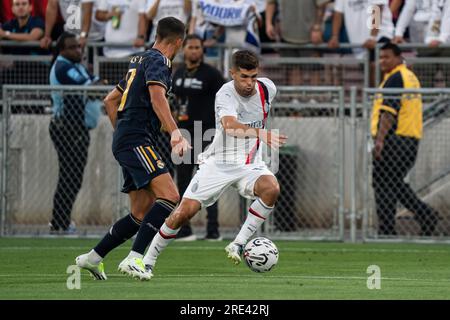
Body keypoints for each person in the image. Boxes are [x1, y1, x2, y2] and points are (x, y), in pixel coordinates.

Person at [119, 50, 288, 281]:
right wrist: (260, 132)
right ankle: (146, 261)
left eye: (253, 77)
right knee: (182, 213)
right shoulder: (225, 93)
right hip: (218, 163)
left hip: (250, 163)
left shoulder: (267, 88)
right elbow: (229, 126)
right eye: (244, 77)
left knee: (272, 188)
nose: (249, 83)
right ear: (232, 74)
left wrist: (260, 135)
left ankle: (238, 244)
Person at [75, 17, 189, 280]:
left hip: (129, 138)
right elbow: (157, 96)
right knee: (170, 196)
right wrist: (174, 133)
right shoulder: (161, 61)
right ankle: (135, 259)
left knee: (140, 211)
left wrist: (122, 133)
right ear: (179, 42)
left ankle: (92, 258)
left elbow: (110, 100)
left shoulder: (138, 60)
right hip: (137, 139)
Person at [371, 42, 440, 237]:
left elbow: (389, 113)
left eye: (387, 57)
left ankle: (386, 230)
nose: (382, 61)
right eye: (381, 57)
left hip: (394, 140)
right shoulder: (410, 77)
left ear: (399, 57)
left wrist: (380, 140)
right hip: (410, 140)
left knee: (382, 183)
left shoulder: (395, 78)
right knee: (394, 183)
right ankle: (426, 215)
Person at [48, 32, 104, 234]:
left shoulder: (76, 66)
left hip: (77, 128)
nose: (78, 50)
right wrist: (96, 85)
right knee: (68, 176)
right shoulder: (63, 66)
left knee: (73, 177)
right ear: (62, 50)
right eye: (72, 47)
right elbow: (90, 86)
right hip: (67, 128)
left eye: (78, 47)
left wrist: (96, 84)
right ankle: (59, 223)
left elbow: (96, 82)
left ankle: (62, 221)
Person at [171, 34, 225, 241]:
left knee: (209, 182)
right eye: (191, 47)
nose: (194, 51)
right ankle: (184, 230)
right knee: (183, 182)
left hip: (206, 133)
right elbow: (173, 99)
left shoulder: (211, 75)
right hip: (183, 134)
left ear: (202, 50)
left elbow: (224, 100)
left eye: (197, 47)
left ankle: (213, 231)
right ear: (184, 49)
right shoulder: (178, 73)